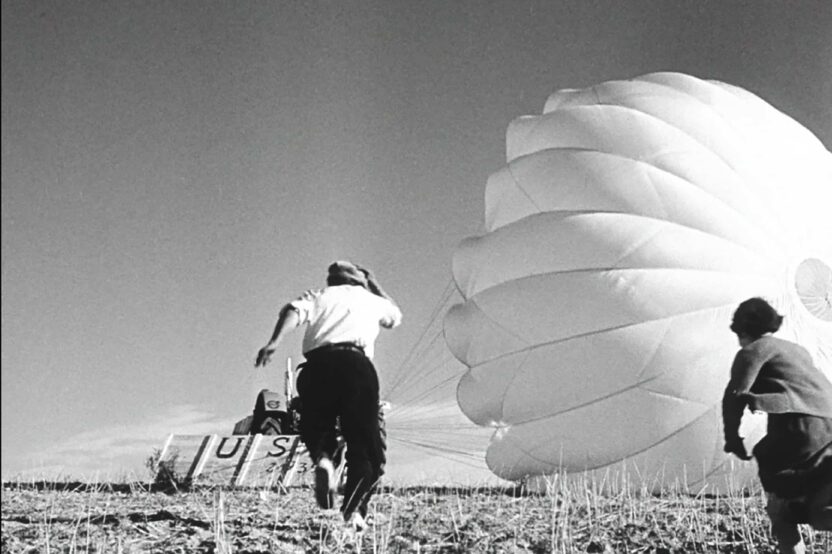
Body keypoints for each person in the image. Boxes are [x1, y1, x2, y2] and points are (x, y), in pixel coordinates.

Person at [255, 260, 402, 531]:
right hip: (356, 366)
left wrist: (274, 342)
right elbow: (394, 316)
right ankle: (354, 510)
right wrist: (374, 283)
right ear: (359, 281)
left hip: (316, 367)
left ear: (331, 280)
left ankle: (323, 458)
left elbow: (293, 311)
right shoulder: (370, 299)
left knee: (316, 426)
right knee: (365, 447)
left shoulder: (318, 295)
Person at [722, 297, 832, 554]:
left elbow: (735, 396)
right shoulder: (797, 350)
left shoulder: (752, 351)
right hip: (828, 427)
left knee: (781, 506)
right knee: (818, 497)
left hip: (802, 428)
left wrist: (732, 438)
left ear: (742, 330)